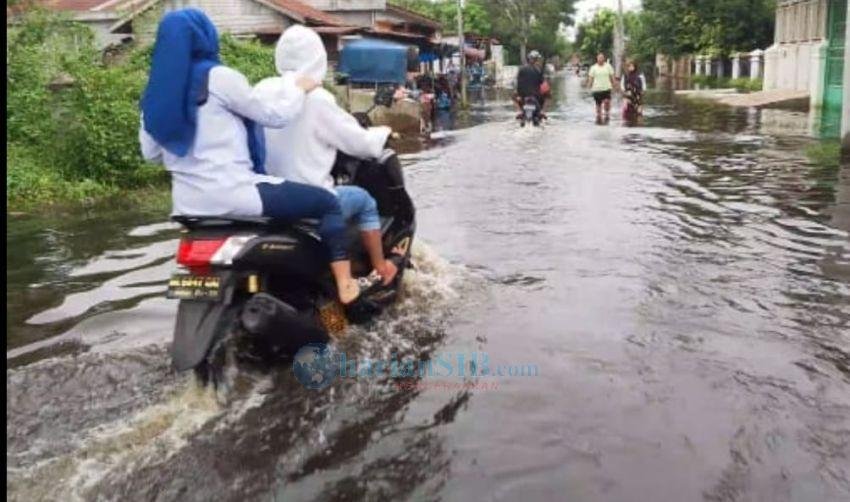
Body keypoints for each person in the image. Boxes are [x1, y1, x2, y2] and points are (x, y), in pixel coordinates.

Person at [138, 9, 364, 304]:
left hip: (188, 208)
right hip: (236, 195)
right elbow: (274, 116)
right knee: (327, 203)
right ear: (207, 38)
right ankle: (346, 284)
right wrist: (299, 89)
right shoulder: (219, 78)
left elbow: (151, 153)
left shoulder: (155, 94)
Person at [254, 25, 399, 286]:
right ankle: (380, 268)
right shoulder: (318, 98)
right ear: (317, 59)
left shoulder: (261, 90)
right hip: (311, 199)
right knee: (365, 201)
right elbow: (360, 144)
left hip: (266, 198)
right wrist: (383, 131)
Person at [515, 50, 546, 119]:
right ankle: (542, 111)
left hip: (523, 96)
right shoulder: (538, 70)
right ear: (537, 60)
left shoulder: (521, 69)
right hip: (536, 96)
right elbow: (542, 84)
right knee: (548, 95)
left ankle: (519, 111)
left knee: (514, 96)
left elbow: (518, 84)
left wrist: (519, 95)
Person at [586, 52, 617, 119]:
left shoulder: (608, 66)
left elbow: (612, 77)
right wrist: (588, 87)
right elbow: (590, 79)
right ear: (597, 59)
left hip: (607, 88)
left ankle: (607, 114)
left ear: (604, 58)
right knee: (598, 105)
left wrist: (615, 85)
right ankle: (599, 117)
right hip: (597, 89)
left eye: (602, 57)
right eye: (599, 58)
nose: (600, 59)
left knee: (607, 102)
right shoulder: (593, 68)